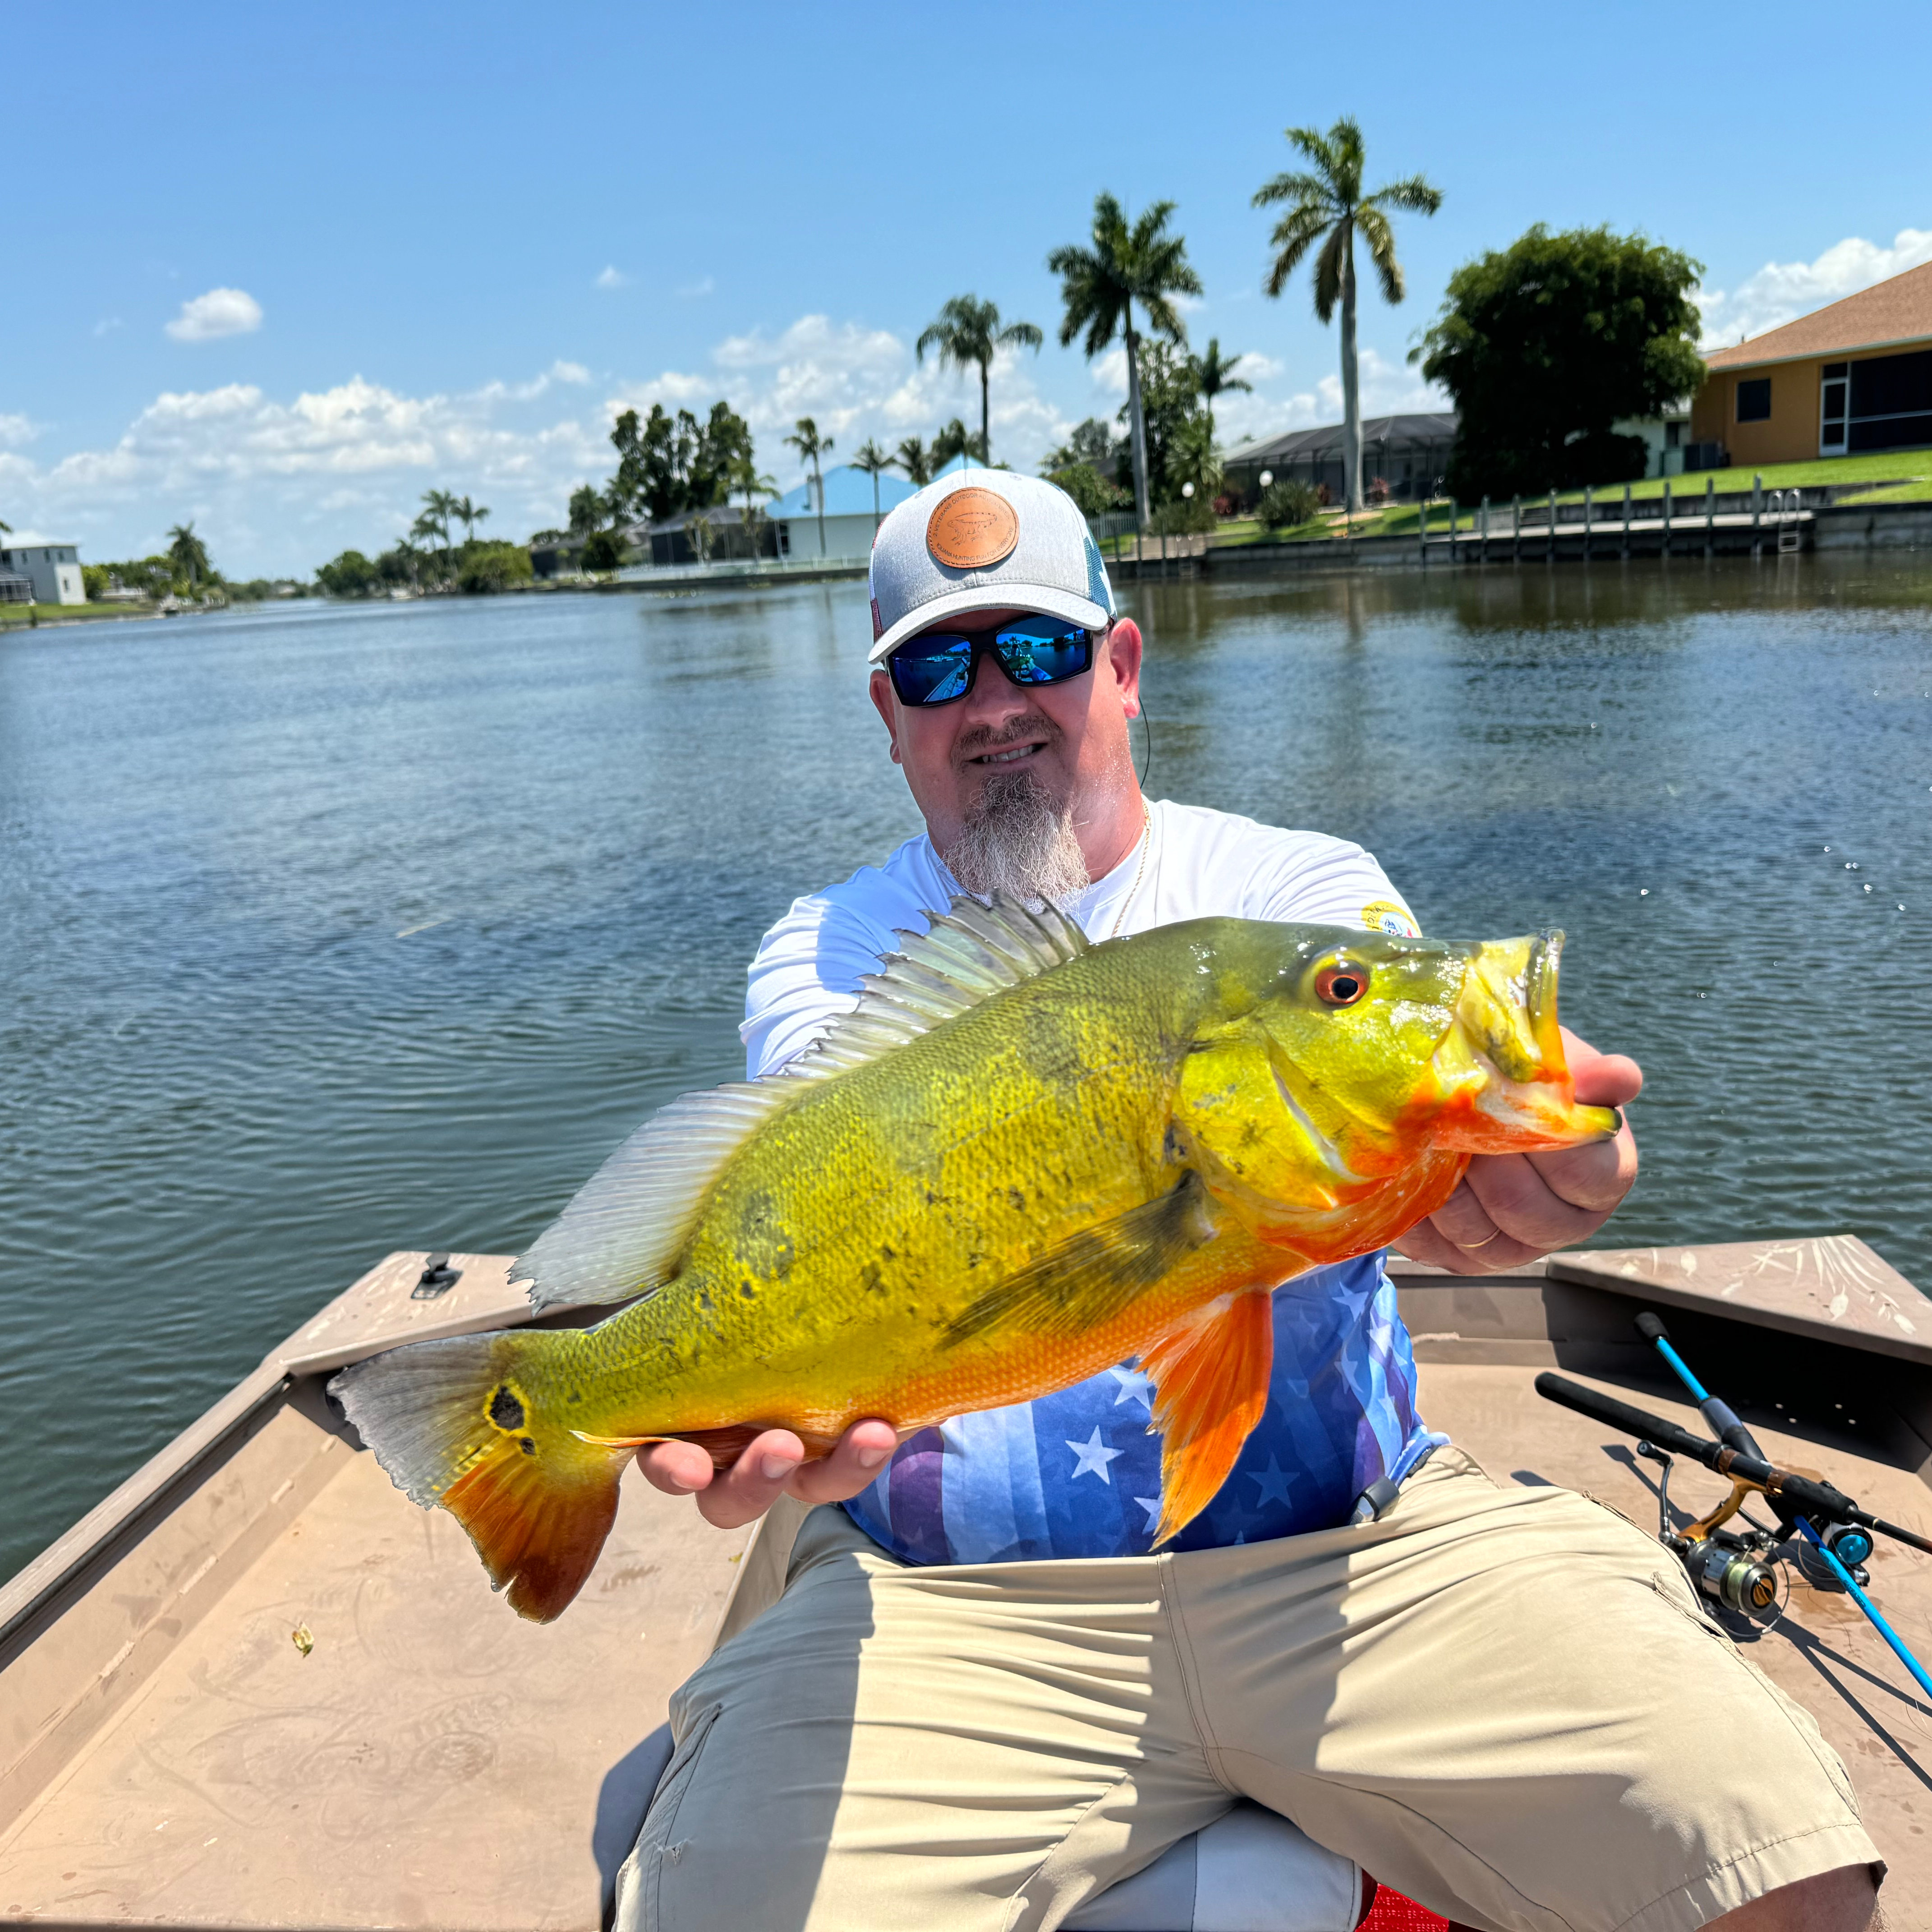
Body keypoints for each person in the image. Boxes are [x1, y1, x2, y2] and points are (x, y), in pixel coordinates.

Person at [615, 473, 1881, 1932]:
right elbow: (830, 1233)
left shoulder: (1295, 891)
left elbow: (1407, 1072)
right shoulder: (829, 951)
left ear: (1125, 666)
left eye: (1037, 649)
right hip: (945, 1606)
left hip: (1351, 1557)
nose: (992, 702)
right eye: (934, 667)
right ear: (889, 718)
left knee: (1771, 1863)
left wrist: (1520, 1161)